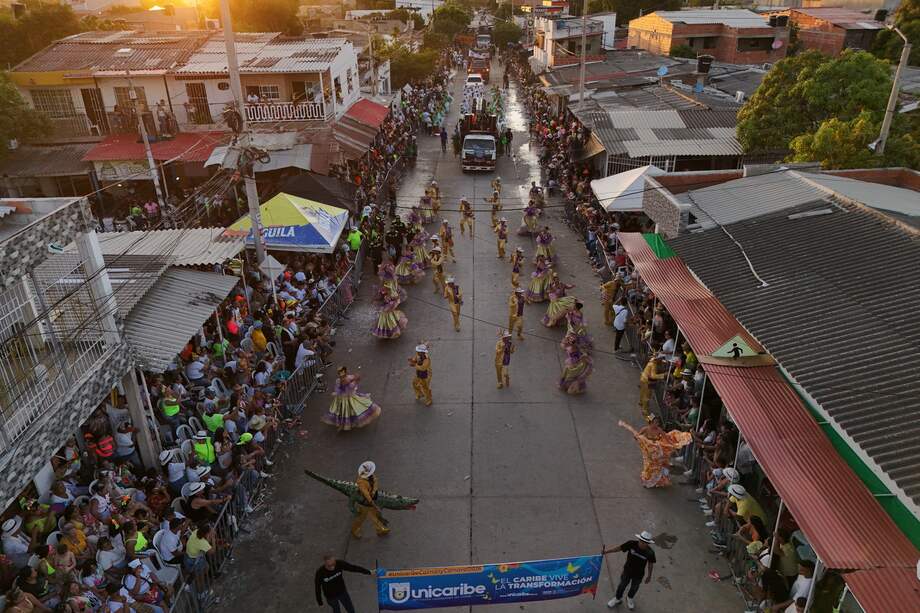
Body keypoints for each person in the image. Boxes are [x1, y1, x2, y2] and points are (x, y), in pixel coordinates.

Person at [618, 418, 692, 488]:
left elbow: (666, 437)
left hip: (657, 450)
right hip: (649, 450)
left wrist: (672, 444)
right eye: (656, 422)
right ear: (651, 423)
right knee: (650, 464)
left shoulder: (659, 430)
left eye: (658, 423)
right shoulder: (645, 429)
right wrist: (640, 439)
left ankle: (657, 480)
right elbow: (638, 435)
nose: (657, 424)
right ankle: (648, 479)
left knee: (657, 465)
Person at [603, 531, 656, 610]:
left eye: (645, 542)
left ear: (648, 543)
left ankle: (629, 598)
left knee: (634, 588)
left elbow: (650, 564)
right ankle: (617, 598)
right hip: (627, 571)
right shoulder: (631, 544)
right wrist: (607, 551)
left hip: (639, 575)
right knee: (622, 585)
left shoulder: (650, 553)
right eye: (641, 541)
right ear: (639, 539)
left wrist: (649, 576)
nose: (642, 543)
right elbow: (619, 548)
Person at [322, 367, 382, 431]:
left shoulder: (350, 380)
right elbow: (338, 389)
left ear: (345, 373)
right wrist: (338, 392)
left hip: (349, 399)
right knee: (342, 411)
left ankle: (345, 424)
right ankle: (342, 424)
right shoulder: (339, 381)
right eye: (340, 375)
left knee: (348, 411)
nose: (342, 377)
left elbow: (349, 389)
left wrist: (352, 382)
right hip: (341, 399)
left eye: (343, 375)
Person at [350, 461, 390, 538]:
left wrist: (374, 492)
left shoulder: (371, 476)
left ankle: (380, 529)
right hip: (364, 502)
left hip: (371, 499)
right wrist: (371, 502)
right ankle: (354, 530)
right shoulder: (361, 482)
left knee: (374, 514)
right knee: (361, 518)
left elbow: (375, 481)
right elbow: (365, 494)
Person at [638, 354, 668, 421]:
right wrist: (663, 375)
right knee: (647, 397)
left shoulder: (652, 361)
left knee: (642, 392)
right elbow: (653, 376)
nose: (662, 361)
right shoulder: (653, 365)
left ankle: (641, 402)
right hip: (648, 381)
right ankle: (645, 414)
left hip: (643, 378)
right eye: (661, 359)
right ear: (658, 359)